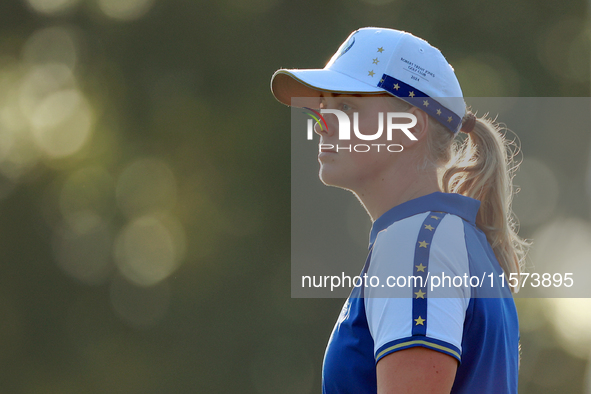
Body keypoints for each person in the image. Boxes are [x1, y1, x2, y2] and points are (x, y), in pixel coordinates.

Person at [270, 27, 529, 393]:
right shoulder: (447, 237)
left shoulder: (415, 241)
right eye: (324, 107)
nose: (322, 124)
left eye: (347, 106)